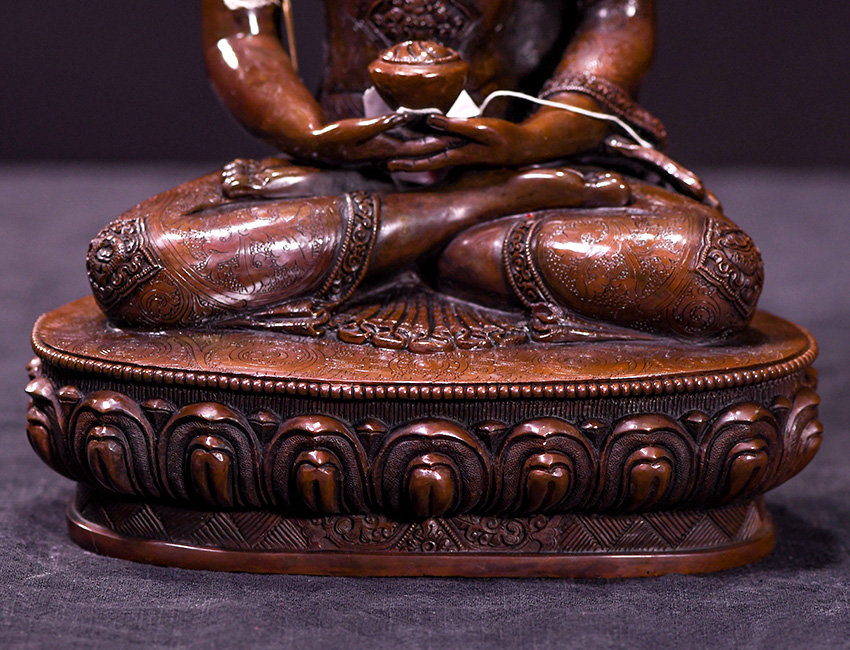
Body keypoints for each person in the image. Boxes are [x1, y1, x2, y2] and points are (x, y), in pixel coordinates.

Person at [86, 0, 763, 345]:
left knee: (711, 273)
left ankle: (403, 241)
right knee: (139, 263)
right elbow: (242, 30)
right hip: (354, 168)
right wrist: (313, 136)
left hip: (519, 154)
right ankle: (469, 217)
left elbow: (616, 19)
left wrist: (530, 141)